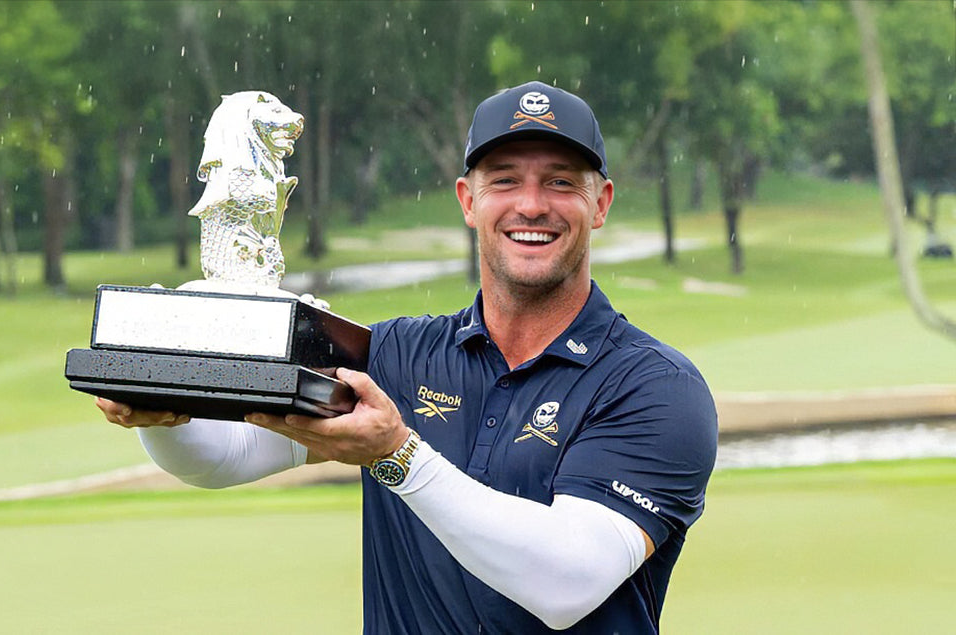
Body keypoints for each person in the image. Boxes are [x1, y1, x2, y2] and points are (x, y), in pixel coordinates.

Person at [98, 80, 718, 633]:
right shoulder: (395, 355)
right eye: (505, 180)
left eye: (560, 181)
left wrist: (397, 456)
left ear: (601, 203)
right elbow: (226, 457)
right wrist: (165, 411)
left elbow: (566, 585)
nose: (531, 204)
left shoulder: (655, 387)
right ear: (468, 200)